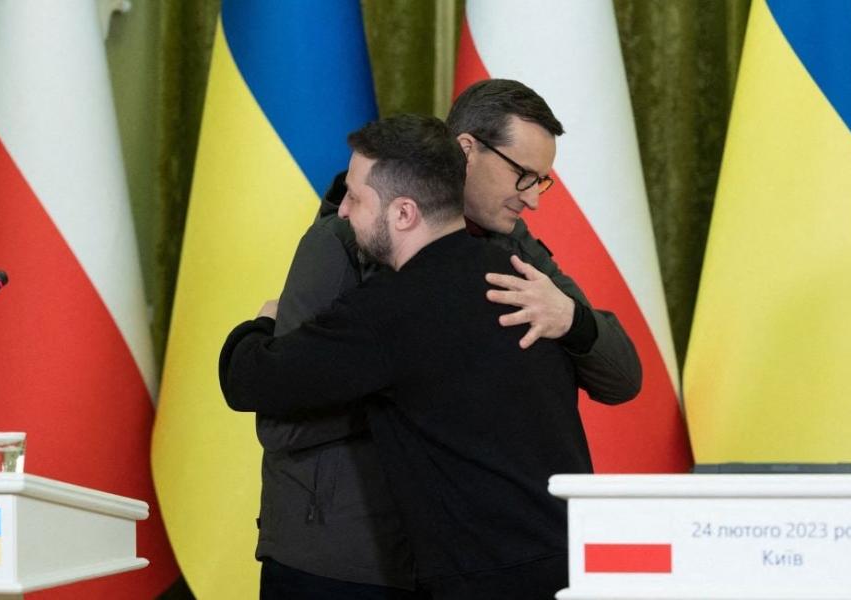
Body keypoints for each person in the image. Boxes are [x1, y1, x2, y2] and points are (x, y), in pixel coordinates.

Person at [250, 80, 642, 598]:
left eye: (541, 183)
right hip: (343, 559)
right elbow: (282, 420)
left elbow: (623, 379)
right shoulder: (343, 239)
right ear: (466, 150)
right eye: (522, 176)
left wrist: (572, 318)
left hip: (462, 562)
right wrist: (427, 388)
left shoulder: (516, 250)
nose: (533, 200)